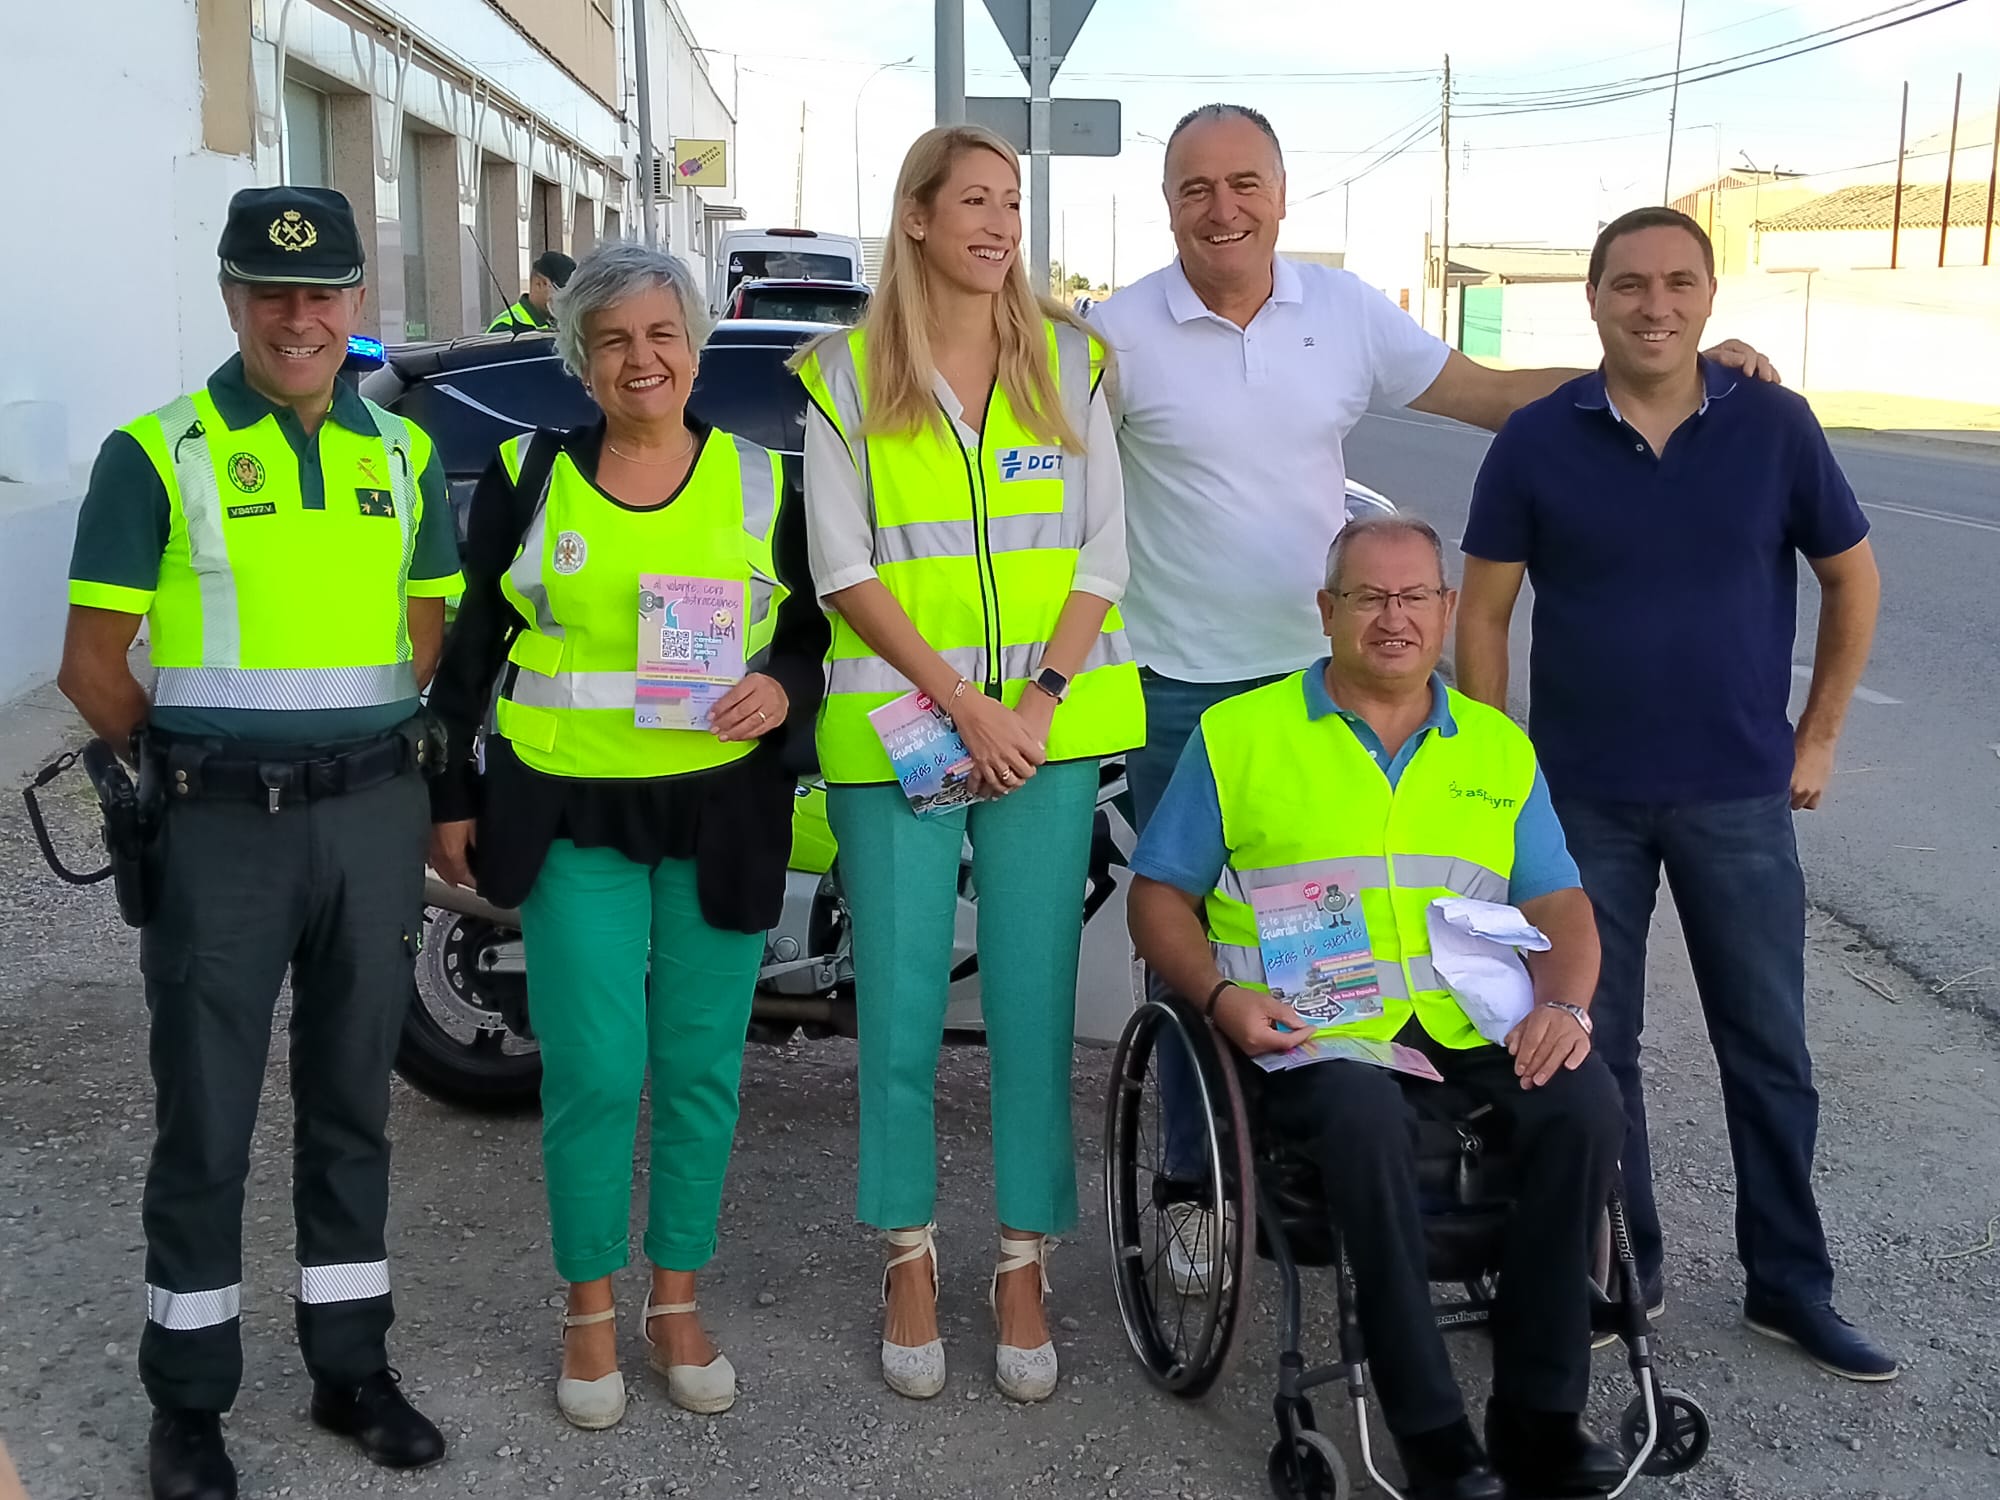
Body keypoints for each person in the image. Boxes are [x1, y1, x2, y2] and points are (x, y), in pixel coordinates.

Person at [58, 186, 461, 1500]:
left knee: (354, 1105)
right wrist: (196, 761)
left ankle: (351, 1367)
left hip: (368, 818)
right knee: (208, 1120)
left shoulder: (400, 457)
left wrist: (357, 749)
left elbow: (425, 629)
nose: (300, 317)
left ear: (355, 307)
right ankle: (189, 1402)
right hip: (221, 831)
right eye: (271, 292)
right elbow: (92, 667)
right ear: (232, 300)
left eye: (324, 293)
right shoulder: (154, 452)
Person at [1455, 206, 1894, 1381]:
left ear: (1707, 297)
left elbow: (1851, 582)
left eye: (1678, 283)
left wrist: (1817, 736)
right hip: (1578, 806)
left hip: (1737, 799)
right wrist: (1499, 783)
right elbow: (1481, 618)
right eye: (1629, 284)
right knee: (1593, 1045)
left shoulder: (1774, 427)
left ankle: (1787, 1285)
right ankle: (1622, 1266)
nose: (1654, 305)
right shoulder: (1538, 441)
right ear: (1592, 299)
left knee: (1767, 1047)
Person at [1085, 102, 1779, 832]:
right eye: (1196, 188)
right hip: (1175, 686)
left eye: (1245, 183)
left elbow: (1491, 394)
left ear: (1282, 196)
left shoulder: (1343, 307)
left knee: (1332, 913)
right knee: (1184, 916)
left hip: (1324, 670)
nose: (1223, 208)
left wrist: (1669, 371)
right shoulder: (1116, 337)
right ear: (1168, 206)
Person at [1128, 515, 1629, 1500]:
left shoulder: (1494, 746)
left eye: (1413, 598)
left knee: (1583, 1105)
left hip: (1467, 1021)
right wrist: (1220, 999)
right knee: (1359, 1116)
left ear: (1445, 611)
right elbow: (1157, 898)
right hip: (1314, 1030)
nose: (1392, 619)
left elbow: (1560, 903)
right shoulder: (1240, 736)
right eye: (1368, 598)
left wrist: (1563, 1008)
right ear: (1326, 612)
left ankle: (1536, 1417)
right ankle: (1429, 1426)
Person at [426, 242, 827, 1429]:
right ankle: (588, 1307)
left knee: (700, 1072)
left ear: (695, 346)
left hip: (720, 810)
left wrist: (784, 691)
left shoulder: (765, 480)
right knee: (597, 1072)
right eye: (612, 340)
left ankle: (677, 1300)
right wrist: (450, 790)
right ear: (580, 357)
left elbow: (810, 632)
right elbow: (471, 648)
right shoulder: (527, 468)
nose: (640, 358)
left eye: (661, 335)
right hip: (566, 808)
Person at [793, 124, 1144, 1404]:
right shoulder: (837, 373)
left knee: (1032, 1006)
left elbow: (1103, 549)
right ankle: (903, 1252)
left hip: (1048, 733)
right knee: (892, 1004)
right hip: (899, 735)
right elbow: (842, 569)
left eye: (1011, 201)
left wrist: (1037, 697)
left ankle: (1019, 1261)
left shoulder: (1074, 359)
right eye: (975, 201)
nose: (998, 222)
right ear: (919, 220)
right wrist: (965, 703)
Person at [487, 250, 576, 332]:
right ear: (539, 284)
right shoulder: (507, 327)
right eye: (562, 291)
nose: (566, 300)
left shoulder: (559, 323)